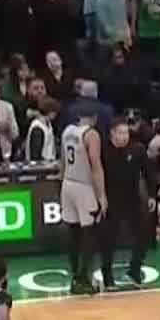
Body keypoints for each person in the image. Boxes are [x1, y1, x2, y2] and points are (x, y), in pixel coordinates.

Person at [60, 105, 108, 294]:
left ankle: (75, 276)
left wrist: (61, 184)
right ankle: (83, 279)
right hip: (84, 186)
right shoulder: (91, 135)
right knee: (89, 235)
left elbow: (62, 162)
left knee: (73, 234)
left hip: (68, 183)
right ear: (94, 117)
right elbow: (96, 166)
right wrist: (101, 195)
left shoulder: (67, 131)